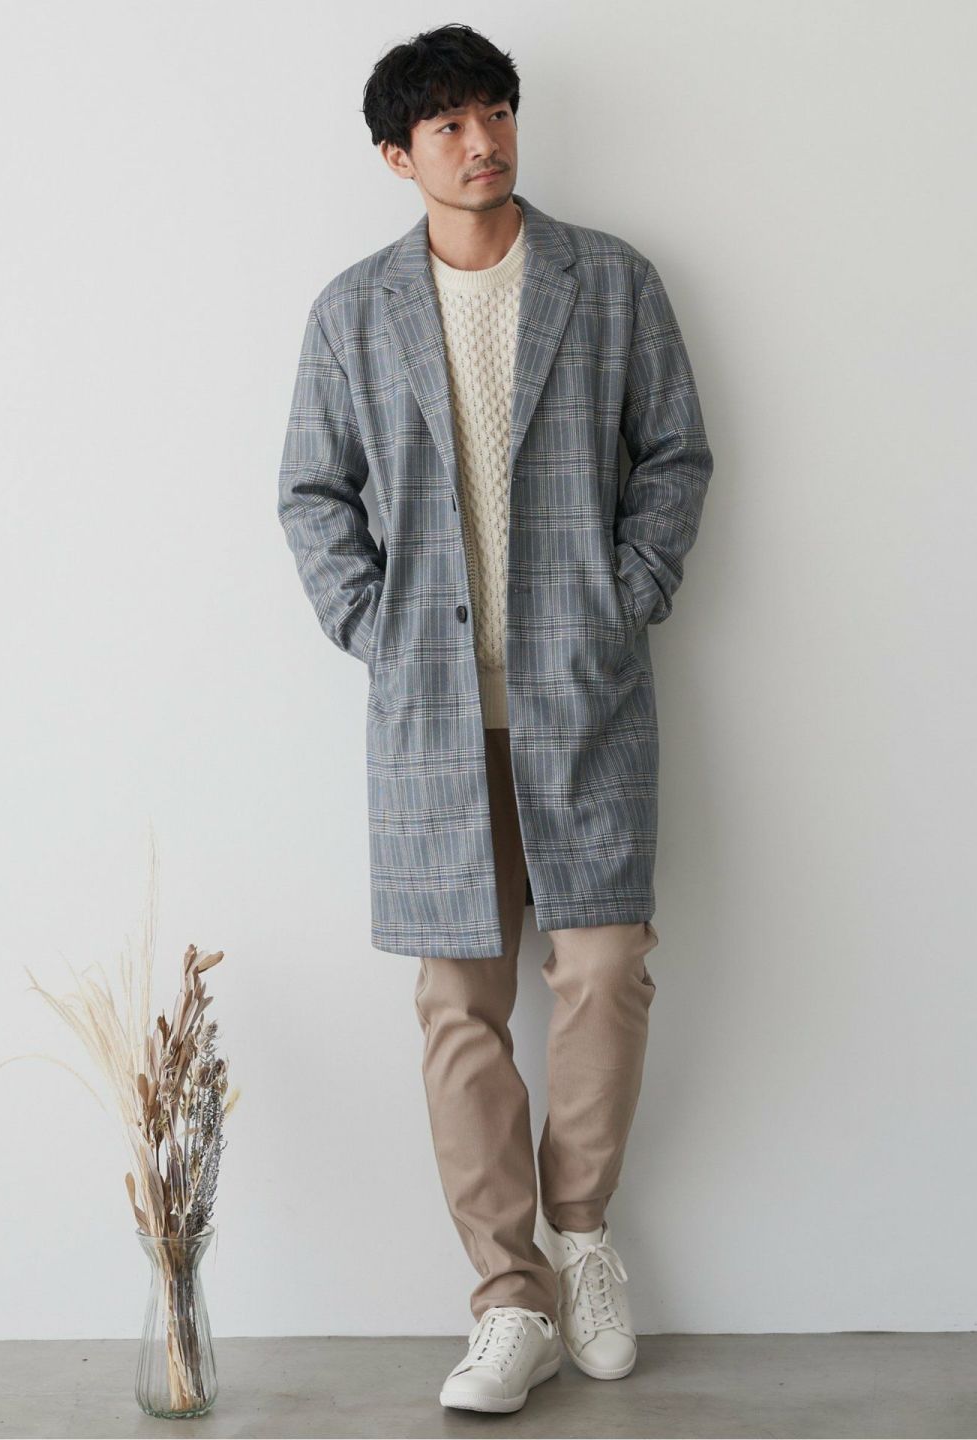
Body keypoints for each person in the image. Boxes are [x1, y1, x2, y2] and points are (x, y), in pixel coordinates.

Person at [277, 22, 713, 1416]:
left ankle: (580, 1236)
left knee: (606, 969)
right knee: (458, 1004)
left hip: (586, 697)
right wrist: (377, 628)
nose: (484, 142)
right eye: (451, 125)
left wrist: (629, 594)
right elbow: (311, 494)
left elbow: (676, 454)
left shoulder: (610, 281)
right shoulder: (354, 313)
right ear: (396, 155)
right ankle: (508, 1299)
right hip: (432, 717)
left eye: (496, 113)